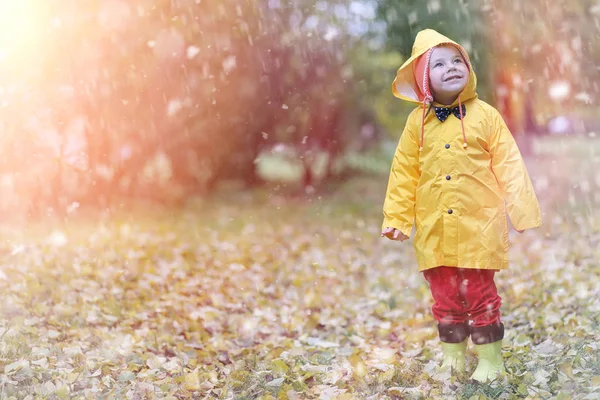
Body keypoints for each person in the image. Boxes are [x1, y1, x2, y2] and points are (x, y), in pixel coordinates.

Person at [380, 29, 542, 382]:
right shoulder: (416, 124)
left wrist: (522, 210)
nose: (451, 67)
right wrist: (397, 218)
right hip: (434, 227)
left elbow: (509, 164)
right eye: (438, 64)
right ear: (424, 78)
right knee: (445, 296)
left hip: (478, 227)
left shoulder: (486, 116)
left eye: (458, 60)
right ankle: (452, 356)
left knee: (480, 294)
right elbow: (404, 173)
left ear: (468, 68)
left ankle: (491, 359)